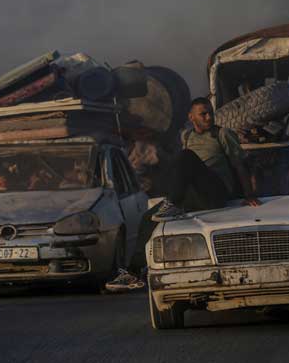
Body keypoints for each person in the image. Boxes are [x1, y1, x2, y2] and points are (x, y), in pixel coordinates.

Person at [105, 98, 260, 292]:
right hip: (194, 193)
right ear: (191, 117)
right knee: (147, 219)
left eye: (210, 113)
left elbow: (239, 165)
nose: (209, 117)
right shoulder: (187, 136)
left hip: (216, 191)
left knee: (186, 156)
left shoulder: (222, 134)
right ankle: (133, 272)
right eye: (203, 114)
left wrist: (249, 194)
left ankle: (172, 202)